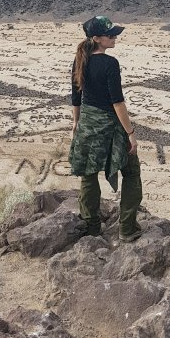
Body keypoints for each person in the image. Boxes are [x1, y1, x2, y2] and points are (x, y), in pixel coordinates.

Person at [69, 15, 142, 241]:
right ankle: (127, 228)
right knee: (131, 172)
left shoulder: (80, 60)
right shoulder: (110, 63)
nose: (115, 38)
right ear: (97, 38)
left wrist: (76, 124)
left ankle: (91, 227)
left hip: (88, 124)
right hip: (110, 126)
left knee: (89, 175)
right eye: (110, 35)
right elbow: (117, 102)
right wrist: (130, 133)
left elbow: (76, 97)